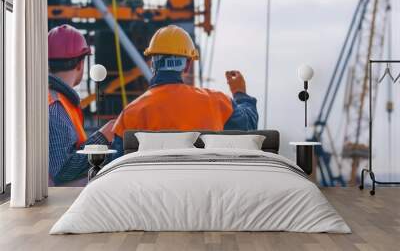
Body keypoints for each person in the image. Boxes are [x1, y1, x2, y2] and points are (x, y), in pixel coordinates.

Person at [111, 25, 258, 153]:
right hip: (206, 183)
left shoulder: (130, 113)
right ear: (187, 65)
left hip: (153, 184)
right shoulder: (217, 101)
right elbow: (248, 125)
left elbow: (115, 164)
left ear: (152, 63)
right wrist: (240, 93)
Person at [48, 24, 115, 186]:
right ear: (80, 64)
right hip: (60, 201)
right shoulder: (55, 106)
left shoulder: (56, 99)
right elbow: (62, 171)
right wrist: (103, 137)